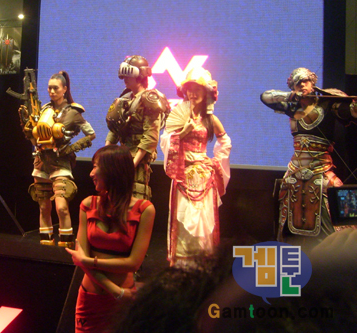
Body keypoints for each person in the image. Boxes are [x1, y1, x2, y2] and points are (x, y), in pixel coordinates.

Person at [261, 67, 357, 243]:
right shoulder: (292, 108)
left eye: (306, 81)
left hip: (321, 171)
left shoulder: (327, 104)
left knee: (341, 212)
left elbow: (348, 111)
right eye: (298, 83)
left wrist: (353, 107)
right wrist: (291, 96)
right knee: (284, 207)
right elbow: (265, 96)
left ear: (312, 84)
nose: (302, 85)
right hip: (295, 171)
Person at [65, 145, 155, 333]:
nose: (91, 173)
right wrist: (115, 291)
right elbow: (81, 259)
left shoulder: (144, 209)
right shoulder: (88, 204)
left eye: (95, 166)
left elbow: (133, 263)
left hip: (123, 304)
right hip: (91, 300)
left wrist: (89, 261)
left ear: (113, 170)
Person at [160, 67, 231, 267]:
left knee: (204, 221)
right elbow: (166, 141)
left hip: (204, 177)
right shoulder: (179, 116)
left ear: (206, 92)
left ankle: (203, 265)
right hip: (183, 174)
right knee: (182, 221)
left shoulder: (210, 119)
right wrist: (183, 132)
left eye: (197, 89)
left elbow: (225, 142)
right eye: (189, 89)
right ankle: (181, 266)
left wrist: (215, 161)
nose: (192, 94)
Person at [27, 71, 95, 247]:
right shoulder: (43, 110)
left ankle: (66, 244)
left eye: (55, 88)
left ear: (64, 89)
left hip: (61, 163)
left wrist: (71, 148)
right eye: (49, 88)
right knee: (43, 207)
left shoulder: (73, 112)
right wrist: (29, 132)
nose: (52, 91)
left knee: (62, 207)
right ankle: (45, 244)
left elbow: (91, 134)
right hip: (41, 162)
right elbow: (35, 139)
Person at [106, 55, 170, 200]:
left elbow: (150, 136)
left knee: (135, 198)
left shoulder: (150, 100)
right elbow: (115, 128)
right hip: (122, 156)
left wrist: (133, 164)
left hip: (138, 159)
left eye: (129, 75)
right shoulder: (126, 98)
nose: (125, 79)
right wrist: (105, 152)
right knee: (117, 197)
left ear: (140, 76)